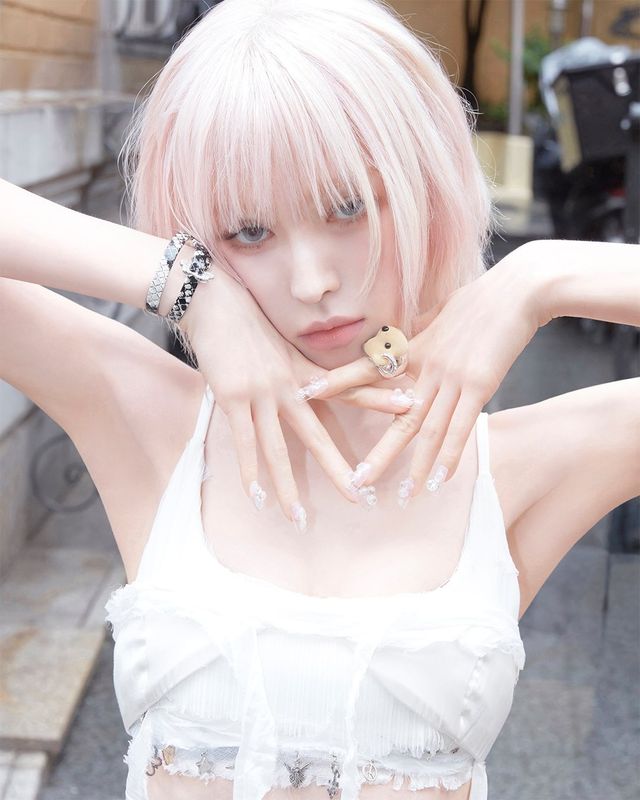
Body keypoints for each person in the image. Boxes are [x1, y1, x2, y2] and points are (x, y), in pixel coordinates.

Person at [0, 0, 638, 798]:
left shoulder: (520, 467)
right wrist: (188, 287)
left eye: (348, 207)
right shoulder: (153, 419)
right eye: (247, 231)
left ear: (427, 187)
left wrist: (542, 277)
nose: (312, 282)